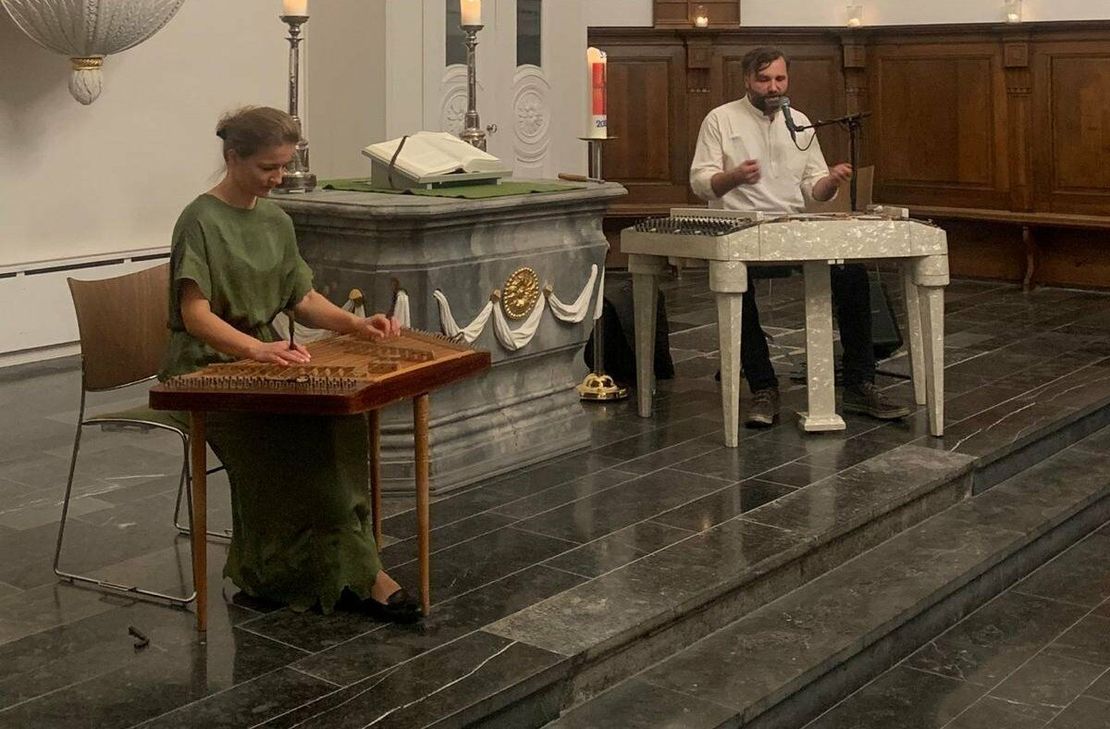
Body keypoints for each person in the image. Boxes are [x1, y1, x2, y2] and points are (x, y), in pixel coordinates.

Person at [159, 106, 420, 622]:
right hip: (204, 372)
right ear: (233, 157)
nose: (280, 178)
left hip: (263, 359)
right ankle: (348, 575)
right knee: (298, 446)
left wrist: (354, 324)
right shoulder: (199, 220)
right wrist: (257, 349)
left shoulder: (276, 219)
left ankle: (337, 570)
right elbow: (194, 316)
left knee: (337, 429)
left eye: (284, 166)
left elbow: (300, 298)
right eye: (268, 168)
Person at [689, 47, 911, 428]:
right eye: (764, 80)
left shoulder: (801, 122)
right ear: (747, 81)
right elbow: (699, 183)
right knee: (736, 289)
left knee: (852, 277)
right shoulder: (720, 120)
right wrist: (734, 177)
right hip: (744, 229)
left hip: (795, 229)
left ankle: (860, 384)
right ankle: (763, 387)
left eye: (780, 79)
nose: (773, 88)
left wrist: (830, 182)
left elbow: (813, 190)